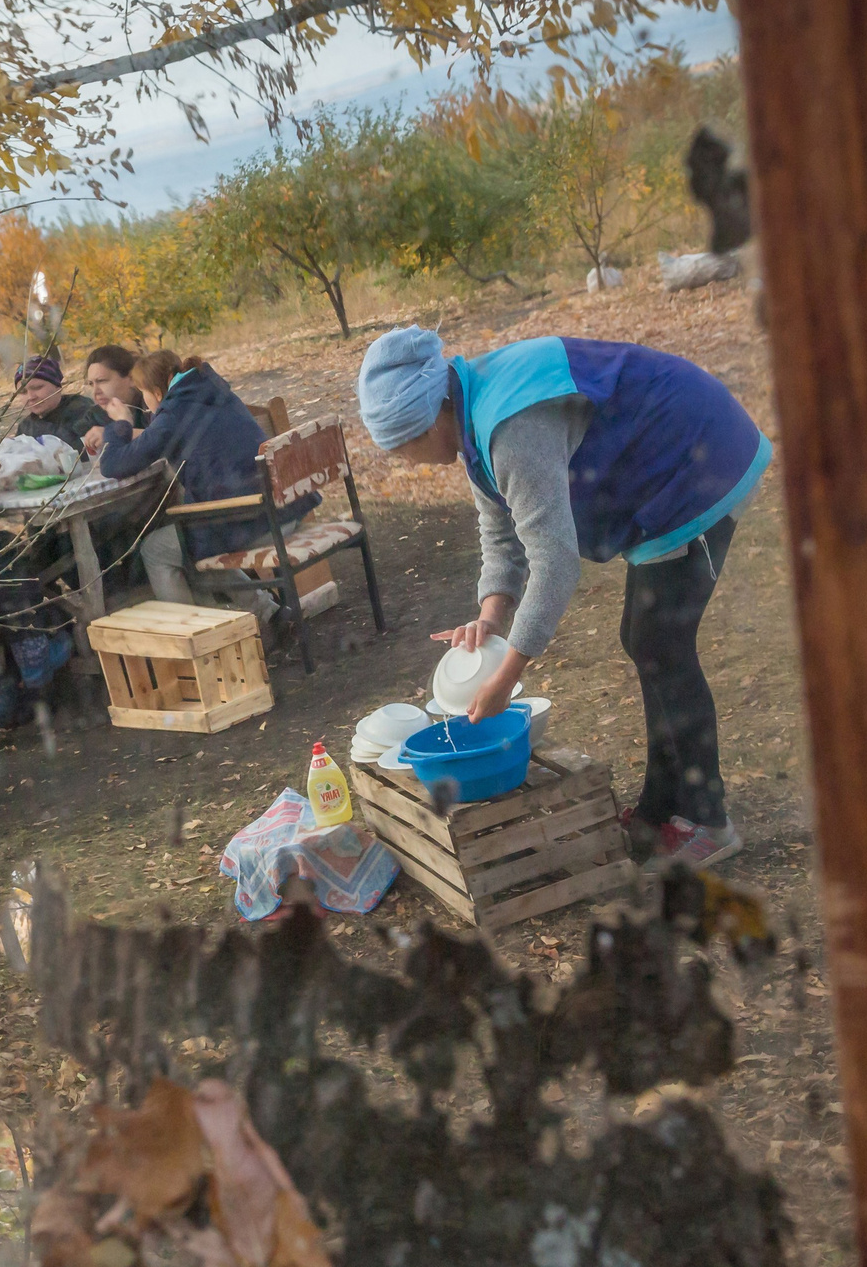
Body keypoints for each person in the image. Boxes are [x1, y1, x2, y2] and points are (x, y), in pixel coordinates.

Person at [357, 326, 770, 868]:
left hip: (698, 458)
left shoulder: (510, 428)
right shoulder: (474, 412)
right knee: (647, 641)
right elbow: (501, 532)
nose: (407, 462)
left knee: (661, 644)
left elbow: (554, 564)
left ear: (432, 415)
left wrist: (504, 680)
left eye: (404, 446)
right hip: (663, 463)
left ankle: (711, 822)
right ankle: (661, 806)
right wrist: (489, 619)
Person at [85, 347, 318, 609]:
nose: (146, 402)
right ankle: (267, 615)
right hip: (286, 506)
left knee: (157, 550)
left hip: (256, 519)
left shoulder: (173, 413)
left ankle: (198, 636)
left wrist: (121, 424)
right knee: (189, 542)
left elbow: (114, 464)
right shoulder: (211, 392)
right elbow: (167, 435)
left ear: (158, 393)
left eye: (144, 393)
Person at [83, 344, 150, 430]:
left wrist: (115, 432)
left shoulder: (153, 406)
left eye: (102, 381)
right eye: (91, 384)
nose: (95, 392)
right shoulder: (94, 418)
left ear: (132, 379)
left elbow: (162, 438)